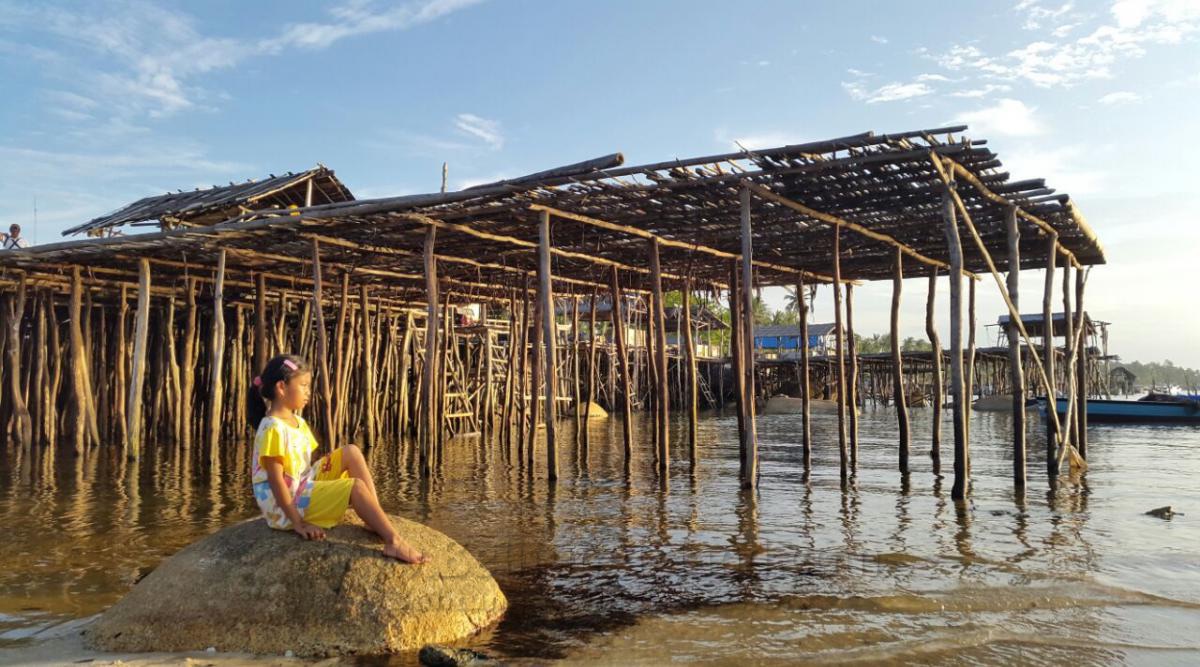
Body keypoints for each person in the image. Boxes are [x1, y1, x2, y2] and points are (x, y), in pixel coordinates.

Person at [247, 354, 429, 563]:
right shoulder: (272, 428)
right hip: (283, 507)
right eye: (303, 385)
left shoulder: (296, 421)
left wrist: (328, 465)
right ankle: (393, 541)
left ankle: (375, 517)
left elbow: (300, 463)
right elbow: (276, 480)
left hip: (300, 485)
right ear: (281, 387)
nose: (308, 392)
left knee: (351, 451)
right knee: (354, 487)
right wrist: (298, 523)